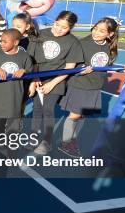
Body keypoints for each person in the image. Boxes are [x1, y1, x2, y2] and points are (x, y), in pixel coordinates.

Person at [58, 17, 120, 158]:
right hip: (80, 85)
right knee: (75, 115)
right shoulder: (82, 44)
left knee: (83, 115)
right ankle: (66, 143)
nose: (96, 32)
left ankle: (72, 139)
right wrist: (80, 69)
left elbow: (105, 65)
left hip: (94, 86)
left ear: (110, 34)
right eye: (96, 28)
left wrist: (121, 68)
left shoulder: (109, 47)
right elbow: (70, 63)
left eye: (102, 31)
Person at [29, 11, 84, 155]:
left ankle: (47, 142)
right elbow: (33, 59)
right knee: (36, 109)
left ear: (70, 28)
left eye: (64, 28)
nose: (58, 29)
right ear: (54, 21)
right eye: (57, 24)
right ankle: (33, 138)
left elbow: (70, 67)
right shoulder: (40, 34)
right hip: (38, 79)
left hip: (57, 82)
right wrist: (35, 78)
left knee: (48, 110)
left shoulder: (73, 42)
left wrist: (52, 83)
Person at [0, 29, 34, 151]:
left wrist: (24, 71)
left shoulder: (24, 56)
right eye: (1, 41)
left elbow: (30, 70)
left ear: (16, 42)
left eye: (5, 42)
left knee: (13, 122)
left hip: (15, 97)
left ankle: (10, 145)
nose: (1, 44)